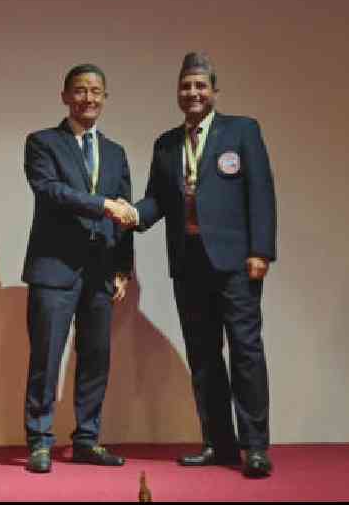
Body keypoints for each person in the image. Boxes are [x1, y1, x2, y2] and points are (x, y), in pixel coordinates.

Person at [111, 52, 277, 478]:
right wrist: (132, 214)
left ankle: (255, 447)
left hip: (236, 263)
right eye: (186, 86)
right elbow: (158, 201)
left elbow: (261, 192)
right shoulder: (166, 143)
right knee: (203, 357)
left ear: (214, 91)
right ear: (178, 93)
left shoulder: (241, 131)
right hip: (188, 265)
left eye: (200, 86)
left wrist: (261, 251)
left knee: (245, 353)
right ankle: (219, 444)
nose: (193, 93)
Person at [21, 63, 134, 473]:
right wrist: (102, 205)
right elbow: (51, 191)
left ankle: (87, 439)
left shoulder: (117, 152)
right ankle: (39, 441)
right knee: (46, 358)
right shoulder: (42, 143)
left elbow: (126, 212)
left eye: (96, 91)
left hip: (101, 271)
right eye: (80, 90)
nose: (89, 98)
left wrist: (123, 269)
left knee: (96, 358)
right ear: (65, 96)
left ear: (105, 98)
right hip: (54, 269)